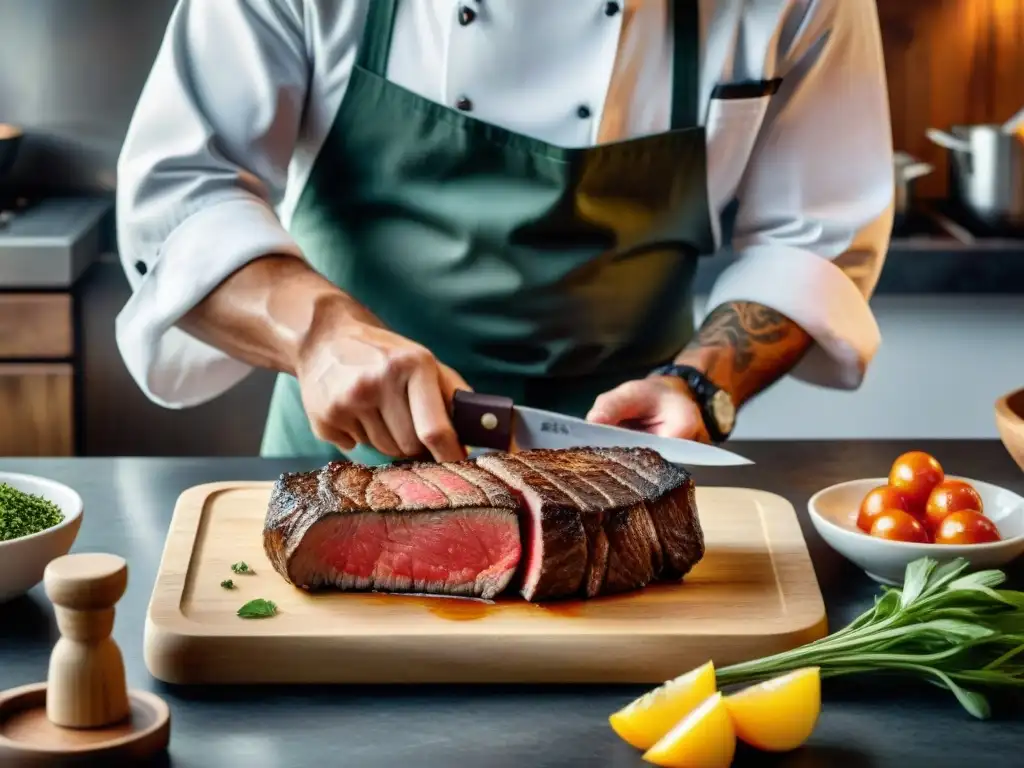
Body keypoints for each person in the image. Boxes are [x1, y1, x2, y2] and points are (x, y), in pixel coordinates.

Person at [115, 0, 894, 465]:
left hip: (624, 463)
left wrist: (700, 387)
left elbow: (813, 239)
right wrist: (322, 335)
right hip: (343, 454)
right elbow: (177, 195)